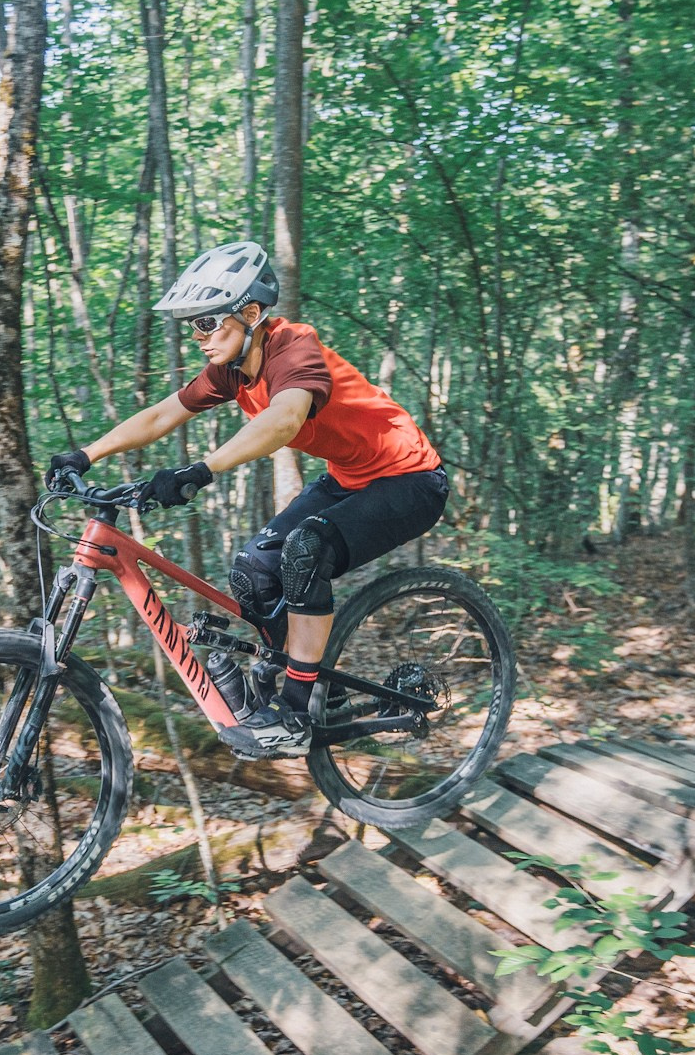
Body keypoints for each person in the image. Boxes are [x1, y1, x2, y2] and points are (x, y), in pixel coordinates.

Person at [47, 241, 448, 759]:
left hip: (411, 479)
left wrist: (201, 470)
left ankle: (298, 709)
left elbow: (283, 419)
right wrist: (87, 452)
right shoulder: (232, 370)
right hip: (351, 476)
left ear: (251, 313)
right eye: (193, 325)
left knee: (306, 551)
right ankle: (321, 687)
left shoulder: (294, 347)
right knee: (255, 570)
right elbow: (161, 415)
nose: (199, 338)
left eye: (209, 322)